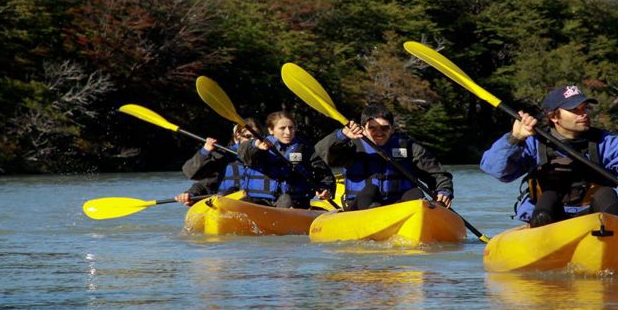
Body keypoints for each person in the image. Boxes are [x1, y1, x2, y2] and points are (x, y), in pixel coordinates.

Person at [479, 84, 618, 228]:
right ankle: (540, 237)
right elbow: (496, 170)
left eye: (585, 108)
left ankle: (617, 234)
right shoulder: (532, 141)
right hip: (547, 215)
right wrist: (514, 139)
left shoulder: (610, 144)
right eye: (575, 110)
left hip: (596, 214)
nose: (583, 114)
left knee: (608, 195)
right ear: (553, 116)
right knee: (547, 198)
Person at [314, 103, 454, 211]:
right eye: (372, 128)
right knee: (370, 190)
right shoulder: (351, 146)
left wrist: (444, 190)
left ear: (392, 129)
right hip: (361, 207)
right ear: (363, 129)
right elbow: (318, 154)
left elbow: (437, 174)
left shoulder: (408, 147)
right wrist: (341, 135)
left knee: (415, 192)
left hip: (399, 206)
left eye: (385, 128)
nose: (379, 132)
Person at [175, 115, 333, 208]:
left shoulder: (269, 155)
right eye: (246, 137)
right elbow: (201, 180)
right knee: (230, 195)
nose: (250, 141)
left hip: (268, 205)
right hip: (233, 203)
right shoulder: (224, 156)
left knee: (284, 199)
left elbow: (318, 174)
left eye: (254, 137)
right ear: (237, 137)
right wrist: (192, 194)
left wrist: (325, 188)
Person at [241, 110, 335, 208]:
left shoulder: (305, 149)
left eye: (291, 128)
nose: (288, 132)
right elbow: (243, 152)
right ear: (271, 130)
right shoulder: (258, 146)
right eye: (282, 128)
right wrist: (255, 145)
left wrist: (325, 189)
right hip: (261, 202)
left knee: (286, 200)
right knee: (245, 201)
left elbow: (325, 176)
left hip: (294, 204)